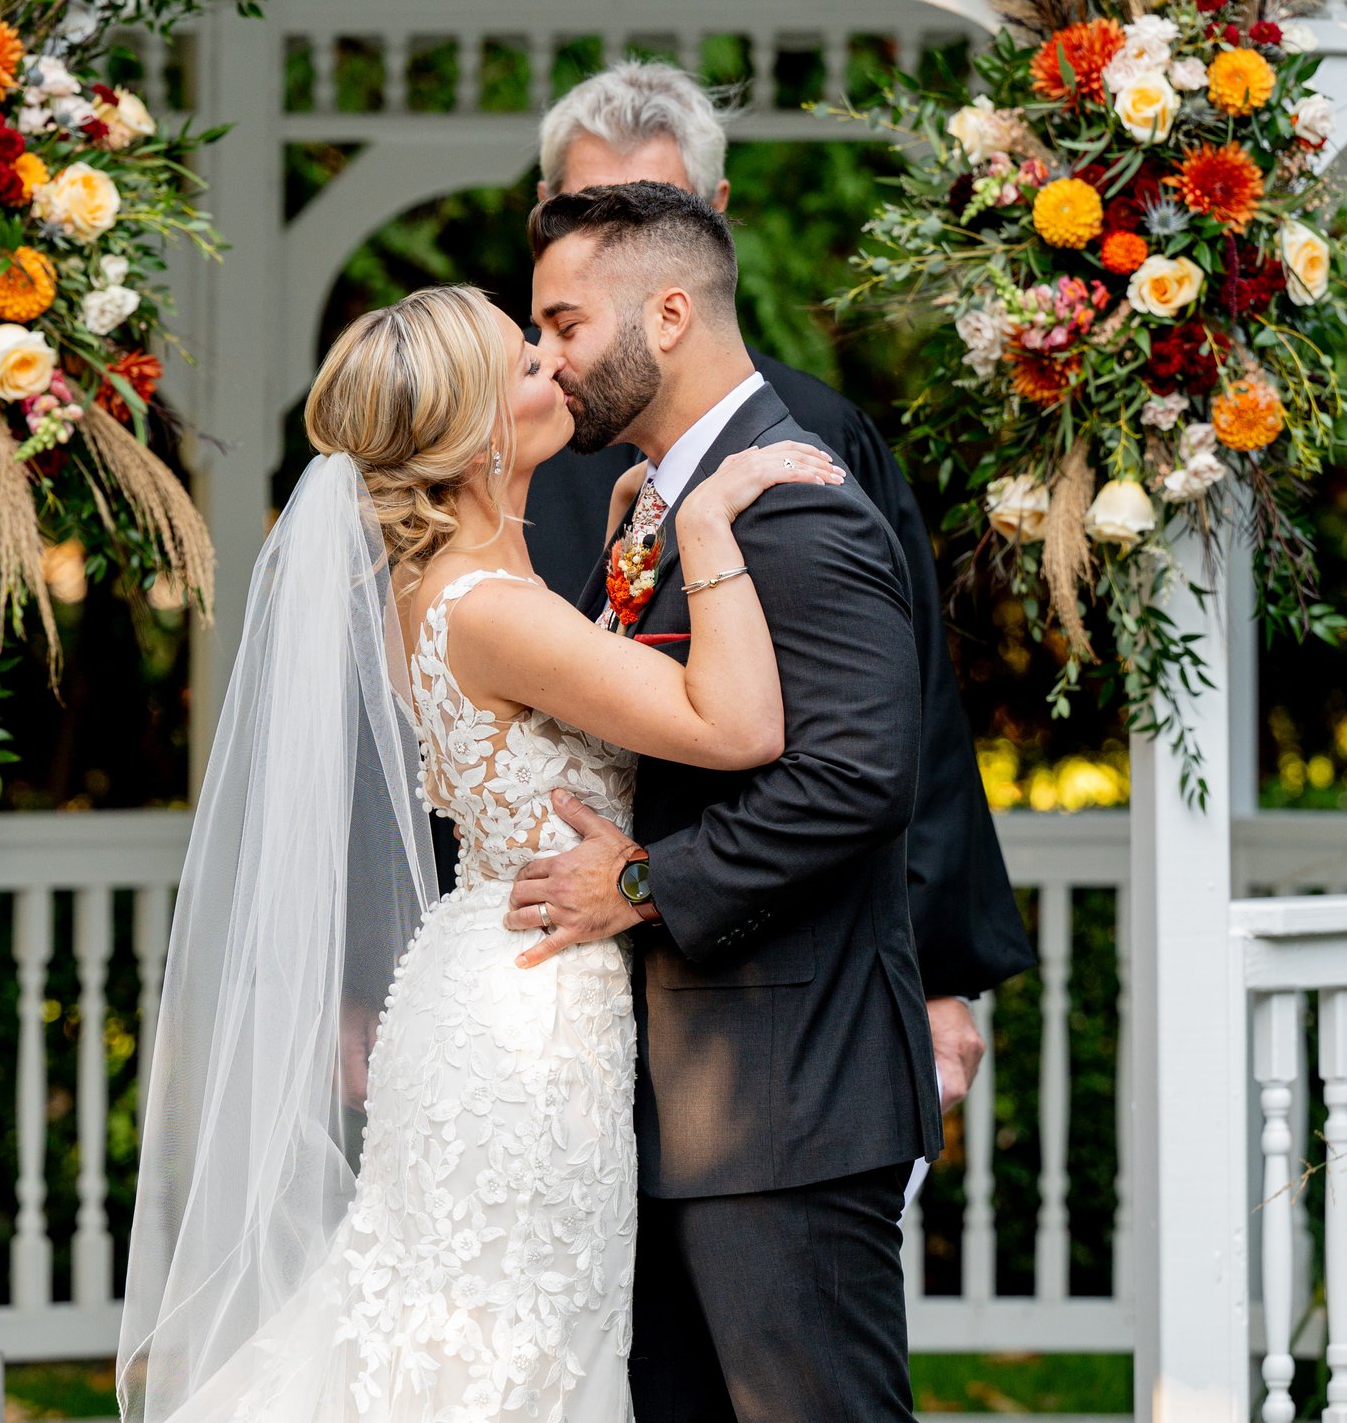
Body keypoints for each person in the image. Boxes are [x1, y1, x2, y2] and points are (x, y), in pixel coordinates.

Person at [117, 282, 844, 1421]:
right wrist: (704, 526)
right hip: (524, 1024)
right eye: (522, 362)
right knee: (502, 1349)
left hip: (503, 980)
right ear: (468, 429)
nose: (555, 367)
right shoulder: (489, 607)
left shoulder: (466, 589)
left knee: (487, 1333)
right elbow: (738, 725)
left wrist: (629, 554)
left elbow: (576, 717)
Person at [510, 182, 941, 1422]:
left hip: (783, 1098)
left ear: (669, 311)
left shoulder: (792, 502)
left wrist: (644, 882)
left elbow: (858, 773)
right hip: (693, 1094)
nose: (547, 358)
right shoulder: (657, 505)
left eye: (566, 324)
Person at [525, 60, 1034, 1104]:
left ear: (708, 225)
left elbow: (895, 726)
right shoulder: (505, 432)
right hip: (551, 991)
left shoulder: (808, 449)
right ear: (544, 213)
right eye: (588, 206)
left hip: (756, 1021)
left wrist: (938, 974)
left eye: (653, 208)